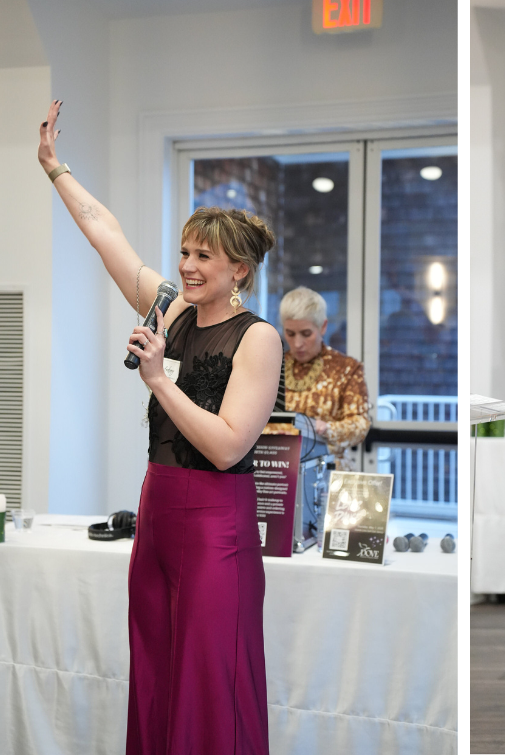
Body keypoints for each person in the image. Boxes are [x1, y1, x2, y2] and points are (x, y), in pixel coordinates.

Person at [38, 101, 281, 755]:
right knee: (155, 667)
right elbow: (105, 233)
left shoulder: (258, 339)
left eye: (206, 256)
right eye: (184, 252)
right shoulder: (168, 312)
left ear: (239, 271)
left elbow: (230, 445)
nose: (188, 266)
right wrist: (57, 170)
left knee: (209, 674)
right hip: (158, 508)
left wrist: (159, 382)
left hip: (215, 525)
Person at [279, 287, 370, 470]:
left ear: (323, 327)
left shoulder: (346, 369)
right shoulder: (272, 366)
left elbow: (360, 424)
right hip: (278, 471)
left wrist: (328, 429)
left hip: (328, 474)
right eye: (290, 334)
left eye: (306, 334)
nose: (297, 343)